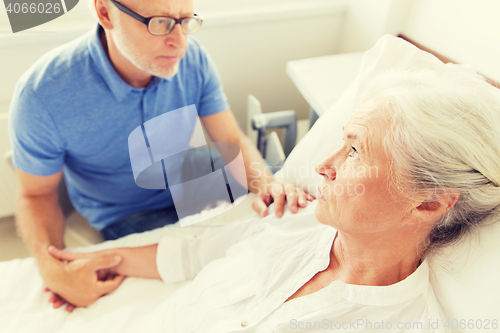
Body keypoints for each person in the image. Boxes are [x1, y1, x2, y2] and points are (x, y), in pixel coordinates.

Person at [47, 68, 500, 331]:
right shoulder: (298, 215)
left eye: (356, 150)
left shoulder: (401, 324)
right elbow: (200, 251)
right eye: (342, 142)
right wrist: (106, 260)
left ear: (428, 203)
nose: (325, 163)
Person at [7, 0, 312, 312]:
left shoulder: (194, 60)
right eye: (160, 22)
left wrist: (268, 184)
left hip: (200, 181)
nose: (180, 42)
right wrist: (52, 270)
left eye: (185, 20)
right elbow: (37, 194)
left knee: (297, 224)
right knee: (207, 289)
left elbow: (231, 139)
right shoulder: (42, 94)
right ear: (104, 12)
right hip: (130, 213)